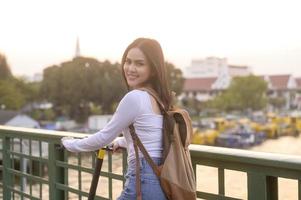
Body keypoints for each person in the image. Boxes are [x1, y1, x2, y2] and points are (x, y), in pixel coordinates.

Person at [61, 37, 172, 200]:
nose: (131, 68)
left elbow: (103, 137)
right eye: (128, 61)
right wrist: (122, 142)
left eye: (139, 64)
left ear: (153, 69)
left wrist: (69, 144)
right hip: (161, 181)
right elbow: (152, 137)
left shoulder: (134, 98)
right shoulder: (160, 98)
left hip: (143, 183)